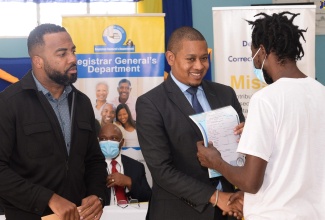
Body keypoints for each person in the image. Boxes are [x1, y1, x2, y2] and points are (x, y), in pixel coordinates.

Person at [197, 12, 325, 219]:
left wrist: (216, 161)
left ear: (262, 51)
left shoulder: (265, 99)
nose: (254, 61)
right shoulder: (321, 93)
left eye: (253, 53)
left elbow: (250, 182)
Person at [136, 26, 245, 220]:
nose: (199, 66)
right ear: (171, 58)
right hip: (179, 213)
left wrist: (248, 138)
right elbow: (162, 170)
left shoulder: (225, 94)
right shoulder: (151, 103)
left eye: (204, 58)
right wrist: (216, 197)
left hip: (229, 210)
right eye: (191, 59)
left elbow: (243, 153)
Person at [0, 24, 107, 219]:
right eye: (62, 53)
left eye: (73, 51)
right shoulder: (9, 103)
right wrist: (48, 198)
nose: (73, 59)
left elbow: (94, 160)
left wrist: (97, 194)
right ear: (38, 61)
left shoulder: (82, 102)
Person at [98, 123, 152, 206]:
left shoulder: (136, 166)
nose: (108, 142)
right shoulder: (91, 167)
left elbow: (147, 197)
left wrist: (129, 182)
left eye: (114, 138)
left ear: (122, 142)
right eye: (103, 138)